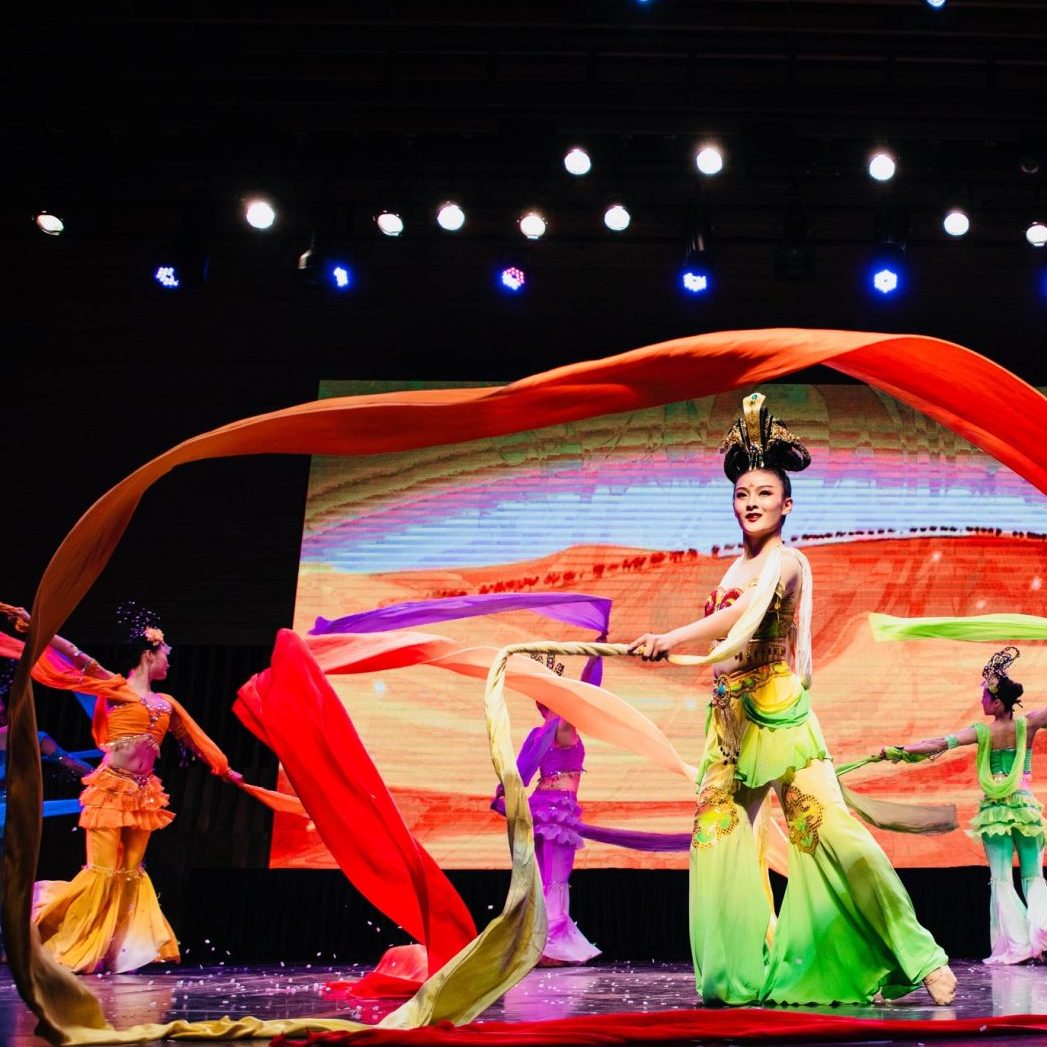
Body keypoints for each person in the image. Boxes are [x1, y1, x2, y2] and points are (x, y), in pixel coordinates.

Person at [628, 391, 955, 1006]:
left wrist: (669, 638)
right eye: (742, 495)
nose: (751, 504)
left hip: (779, 716)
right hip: (728, 721)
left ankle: (919, 955)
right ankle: (735, 979)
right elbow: (730, 627)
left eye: (764, 495)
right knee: (715, 841)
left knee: (829, 830)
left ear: (788, 504)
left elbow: (744, 620)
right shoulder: (730, 567)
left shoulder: (790, 563)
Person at [0, 601, 242, 974]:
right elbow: (76, 656)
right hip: (110, 790)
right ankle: (51, 929)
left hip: (144, 794)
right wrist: (37, 628)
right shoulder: (114, 688)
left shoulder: (166, 703)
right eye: (166, 655)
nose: (169, 663)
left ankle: (115, 950)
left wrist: (224, 770)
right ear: (149, 654)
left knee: (130, 873)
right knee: (101, 870)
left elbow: (195, 738)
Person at [886, 647, 1047, 965]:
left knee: (1001, 877)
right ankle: (1041, 936)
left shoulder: (982, 732)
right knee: (1033, 876)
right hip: (1026, 809)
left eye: (985, 697)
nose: (981, 702)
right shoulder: (1027, 725)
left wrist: (901, 750)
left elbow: (938, 744)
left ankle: (1019, 946)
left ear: (996, 701)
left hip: (995, 813)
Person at [493, 675, 600, 966]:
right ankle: (547, 944)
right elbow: (587, 688)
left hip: (544, 808)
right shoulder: (556, 728)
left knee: (546, 877)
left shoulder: (545, 731)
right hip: (553, 810)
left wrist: (595, 657)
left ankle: (541, 942)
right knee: (552, 877)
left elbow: (587, 688)